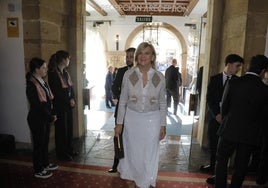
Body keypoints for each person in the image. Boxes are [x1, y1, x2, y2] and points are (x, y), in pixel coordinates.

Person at [114, 42, 167, 188]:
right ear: (137, 56)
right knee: (133, 151)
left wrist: (163, 125)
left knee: (149, 152)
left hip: (152, 120)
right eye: (141, 53)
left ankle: (144, 181)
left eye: (147, 53)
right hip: (132, 119)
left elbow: (163, 103)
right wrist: (119, 123)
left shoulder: (159, 77)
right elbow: (123, 99)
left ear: (152, 56)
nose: (143, 56)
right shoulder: (129, 74)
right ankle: (134, 177)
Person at [215, 55, 268, 188]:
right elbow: (264, 115)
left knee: (221, 161)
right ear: (263, 71)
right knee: (241, 165)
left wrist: (228, 118)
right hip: (249, 134)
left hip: (229, 129)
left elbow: (224, 106)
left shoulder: (233, 82)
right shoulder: (265, 90)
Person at [201, 54, 244, 184]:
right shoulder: (215, 79)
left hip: (228, 121)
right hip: (215, 118)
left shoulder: (238, 81)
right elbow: (210, 99)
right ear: (229, 64)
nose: (238, 69)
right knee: (214, 145)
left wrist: (225, 116)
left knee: (224, 149)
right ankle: (213, 169)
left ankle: (218, 174)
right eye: (237, 66)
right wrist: (216, 114)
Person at [26, 57, 58, 179]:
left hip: (45, 117)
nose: (46, 69)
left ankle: (45, 163)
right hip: (37, 118)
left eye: (46, 67)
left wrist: (52, 114)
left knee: (44, 143)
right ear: (36, 69)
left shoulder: (42, 81)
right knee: (38, 145)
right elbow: (37, 105)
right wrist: (49, 116)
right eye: (43, 68)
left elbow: (49, 100)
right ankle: (38, 170)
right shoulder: (31, 84)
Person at [108, 47, 136, 173]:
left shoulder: (139, 72)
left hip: (135, 112)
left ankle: (131, 165)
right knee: (118, 136)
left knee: (132, 138)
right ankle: (116, 164)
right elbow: (114, 88)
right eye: (127, 56)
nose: (128, 59)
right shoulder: (121, 71)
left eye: (131, 56)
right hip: (121, 109)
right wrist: (122, 95)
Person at [48, 50, 77, 161]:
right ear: (63, 60)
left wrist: (73, 98)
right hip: (60, 106)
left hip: (68, 105)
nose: (69, 60)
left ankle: (69, 149)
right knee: (61, 130)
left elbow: (70, 87)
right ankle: (61, 153)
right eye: (68, 58)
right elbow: (56, 92)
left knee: (69, 128)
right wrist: (68, 100)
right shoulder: (53, 73)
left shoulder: (65, 72)